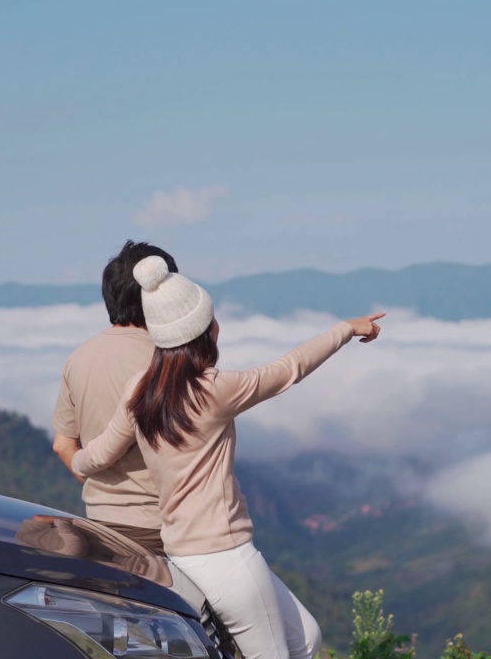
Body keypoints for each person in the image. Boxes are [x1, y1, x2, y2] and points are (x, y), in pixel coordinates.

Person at [73, 255, 384, 659]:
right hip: (226, 556)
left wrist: (75, 461)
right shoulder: (214, 389)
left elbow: (98, 454)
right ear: (204, 331)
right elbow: (289, 369)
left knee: (306, 638)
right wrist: (345, 329)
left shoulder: (140, 390)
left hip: (184, 553)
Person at [51, 240, 178, 555]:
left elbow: (63, 445)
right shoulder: (172, 362)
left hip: (101, 527)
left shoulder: (78, 358)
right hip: (166, 531)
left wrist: (109, 493)